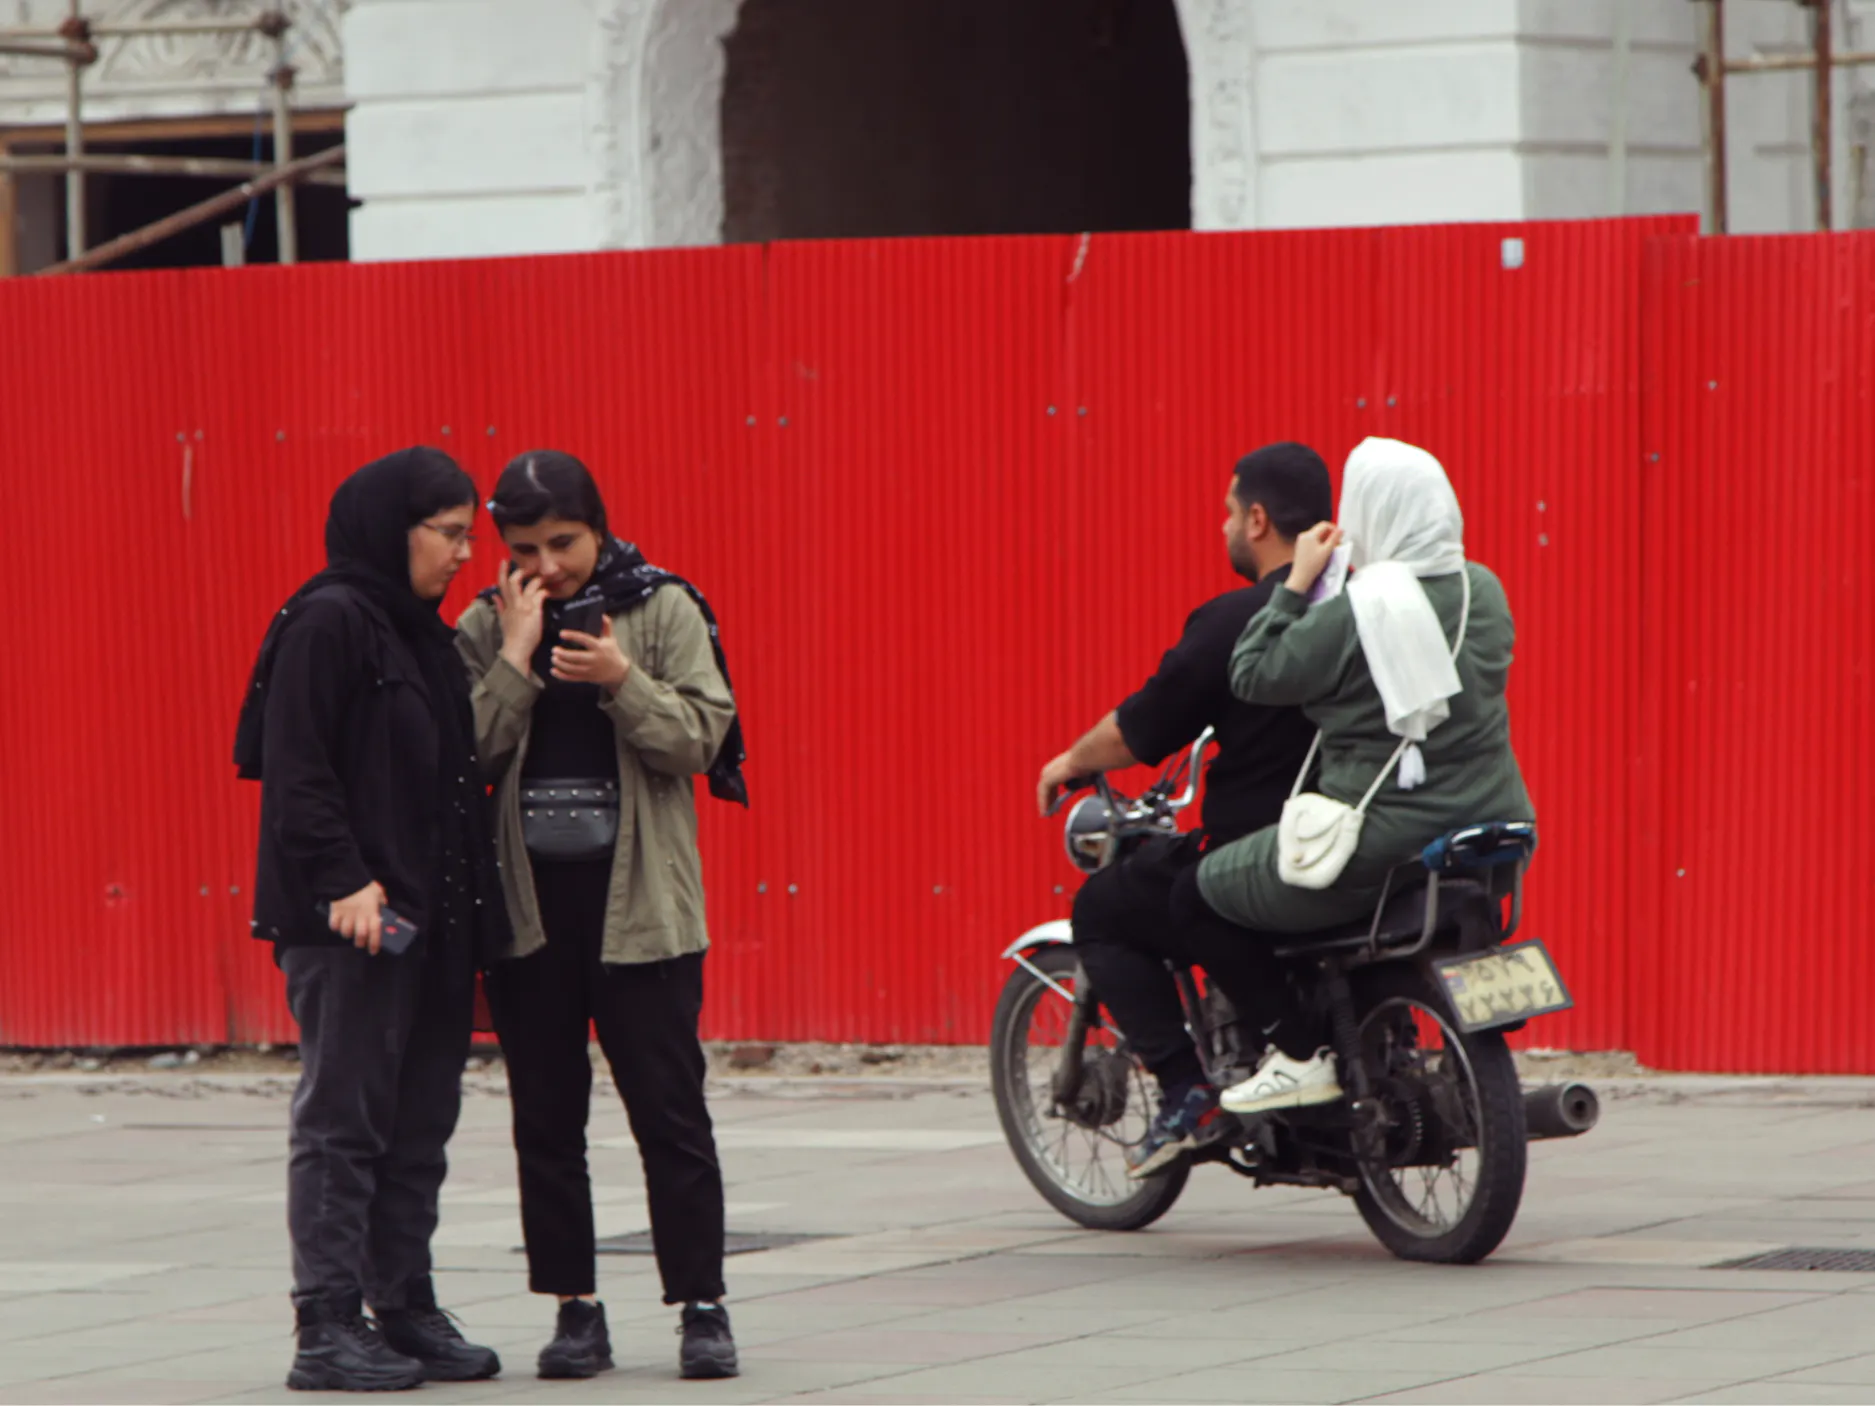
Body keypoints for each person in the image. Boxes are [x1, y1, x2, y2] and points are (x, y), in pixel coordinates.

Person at [455, 450, 746, 1383]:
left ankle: (702, 1307)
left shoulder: (662, 608)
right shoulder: (486, 622)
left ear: (601, 529)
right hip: (531, 912)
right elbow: (462, 758)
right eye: (524, 548)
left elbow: (702, 740)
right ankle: (573, 1309)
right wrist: (512, 657)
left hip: (643, 913)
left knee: (670, 1114)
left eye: (565, 544)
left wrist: (621, 677)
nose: (547, 566)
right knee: (545, 1119)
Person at [235, 447, 508, 1393]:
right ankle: (325, 1325)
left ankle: (402, 1308)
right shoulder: (328, 621)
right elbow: (296, 769)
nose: (465, 554)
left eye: (468, 534)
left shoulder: (417, 634)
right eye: (448, 533)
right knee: (343, 1123)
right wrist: (345, 881)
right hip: (349, 921)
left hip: (427, 920)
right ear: (395, 529)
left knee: (420, 1122)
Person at [1196, 436, 1536, 1116]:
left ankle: (1296, 1056)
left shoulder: (1361, 606)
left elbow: (1253, 675)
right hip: (1494, 825)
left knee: (1204, 890)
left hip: (1385, 836)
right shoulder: (1484, 589)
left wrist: (1296, 585)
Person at [1034, 442, 1333, 1179]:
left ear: (1257, 518)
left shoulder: (1238, 619)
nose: (1223, 525)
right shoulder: (1370, 601)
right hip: (1371, 838)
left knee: (1105, 904)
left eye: (1229, 512)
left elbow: (1145, 724)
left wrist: (1069, 762)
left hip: (1265, 849)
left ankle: (1186, 1092)